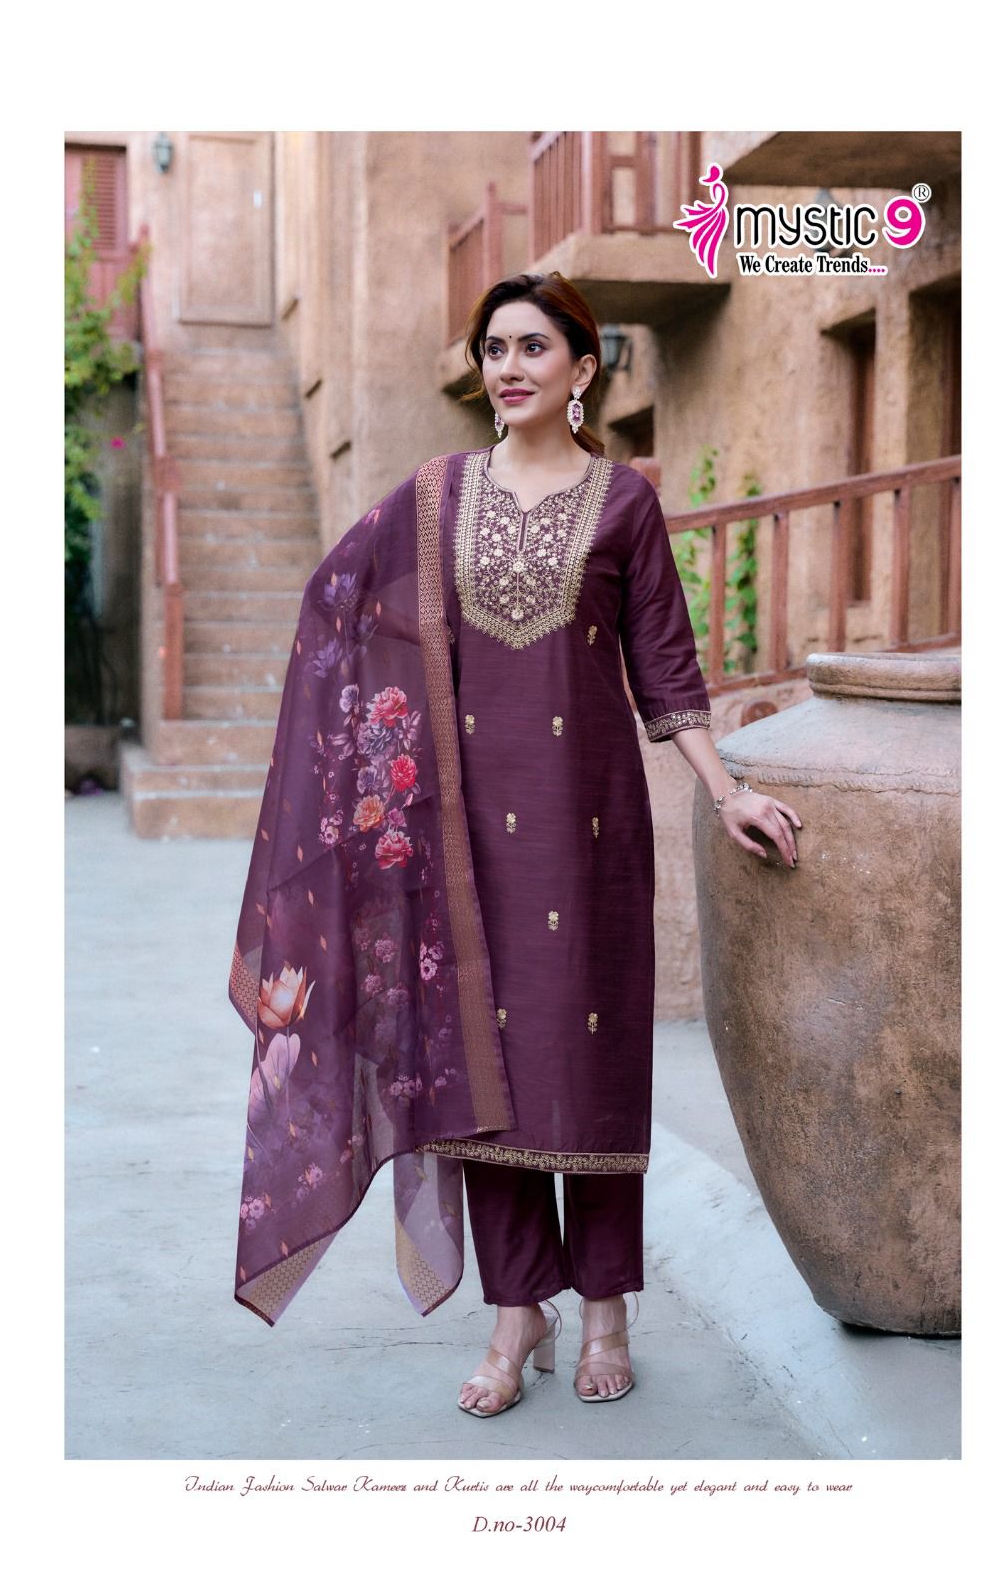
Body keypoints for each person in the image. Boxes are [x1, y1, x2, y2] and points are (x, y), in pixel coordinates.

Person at [227, 271, 802, 1421]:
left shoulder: (623, 503)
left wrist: (725, 789)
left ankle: (605, 1310)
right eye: (493, 348)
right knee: (477, 1072)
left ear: (582, 369)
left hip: (586, 829)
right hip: (459, 833)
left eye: (533, 346)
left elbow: (664, 671)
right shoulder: (434, 496)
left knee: (586, 1066)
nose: (508, 367)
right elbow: (339, 602)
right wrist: (374, 766)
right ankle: (516, 1310)